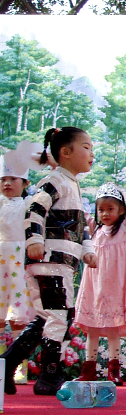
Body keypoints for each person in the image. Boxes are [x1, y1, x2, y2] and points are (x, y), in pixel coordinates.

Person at [0, 127, 98, 395]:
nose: (92, 153)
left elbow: (81, 226)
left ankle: (7, 362)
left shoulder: (72, 185)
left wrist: (87, 248)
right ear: (66, 152)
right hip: (49, 260)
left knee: (48, 317)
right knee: (59, 314)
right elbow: (35, 210)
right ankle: (49, 374)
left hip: (62, 260)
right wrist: (34, 241)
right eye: (87, 147)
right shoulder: (53, 181)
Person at [73, 166, 126, 385]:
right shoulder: (93, 229)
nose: (105, 213)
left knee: (112, 330)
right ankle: (88, 369)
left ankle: (113, 370)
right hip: (94, 287)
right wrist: (72, 179)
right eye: (101, 209)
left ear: (121, 211)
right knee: (92, 328)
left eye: (111, 209)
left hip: (116, 287)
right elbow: (79, 208)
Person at [0, 142, 38, 385]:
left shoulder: (29, 204)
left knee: (19, 314)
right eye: (3, 178)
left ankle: (16, 367)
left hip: (19, 260)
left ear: (25, 183)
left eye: (14, 179)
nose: (7, 183)